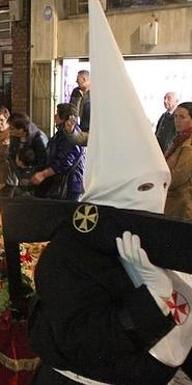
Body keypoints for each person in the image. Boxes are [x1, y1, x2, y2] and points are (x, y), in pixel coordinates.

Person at [29, 2, 192, 383]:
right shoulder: (69, 253)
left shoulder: (159, 247)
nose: (151, 200)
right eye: (142, 189)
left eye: (159, 188)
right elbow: (86, 346)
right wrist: (152, 299)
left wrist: (168, 285)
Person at [31, 103, 85, 201]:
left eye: (57, 113)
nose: (55, 116)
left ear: (65, 118)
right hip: (64, 183)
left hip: (71, 185)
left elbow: (66, 161)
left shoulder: (71, 135)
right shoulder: (61, 133)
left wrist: (43, 174)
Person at [7, 112, 48, 197]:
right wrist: (19, 174)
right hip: (20, 177)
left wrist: (29, 174)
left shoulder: (38, 139)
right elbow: (11, 155)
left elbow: (43, 161)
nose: (10, 131)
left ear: (21, 129)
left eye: (12, 129)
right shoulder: (15, 137)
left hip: (35, 180)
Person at [164, 102, 192, 220]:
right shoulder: (178, 139)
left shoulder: (188, 144)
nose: (177, 121)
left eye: (182, 117)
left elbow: (180, 175)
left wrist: (162, 184)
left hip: (182, 203)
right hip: (172, 201)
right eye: (175, 116)